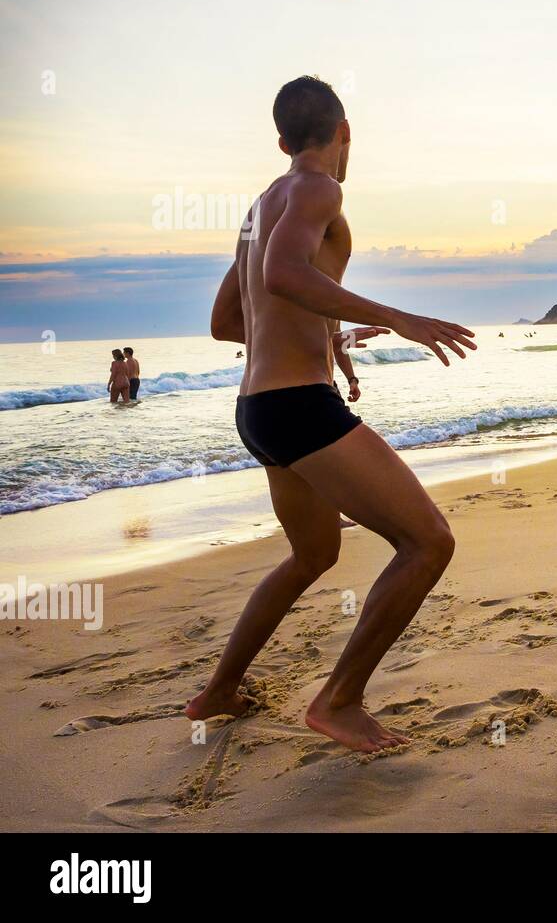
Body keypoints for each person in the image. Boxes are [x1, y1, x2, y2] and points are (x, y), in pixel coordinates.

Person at [186, 76, 477, 752]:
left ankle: (219, 690)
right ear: (345, 131)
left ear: (284, 140)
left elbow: (227, 319)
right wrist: (393, 316)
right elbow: (285, 276)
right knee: (429, 541)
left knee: (313, 552)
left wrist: (327, 338)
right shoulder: (320, 187)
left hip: (257, 410)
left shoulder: (260, 207)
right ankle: (339, 699)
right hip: (297, 408)